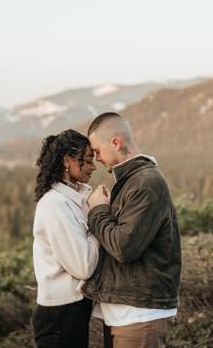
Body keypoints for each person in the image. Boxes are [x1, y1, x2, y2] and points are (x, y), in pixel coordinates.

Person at [82, 112, 181, 348]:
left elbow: (123, 247)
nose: (97, 159)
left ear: (116, 142)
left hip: (139, 315)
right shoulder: (130, 180)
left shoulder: (145, 182)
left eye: (97, 151)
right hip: (126, 312)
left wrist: (98, 210)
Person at [31, 129, 100, 348]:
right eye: (87, 161)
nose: (93, 166)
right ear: (67, 160)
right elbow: (84, 267)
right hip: (60, 316)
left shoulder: (72, 200)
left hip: (72, 310)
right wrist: (98, 216)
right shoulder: (55, 204)